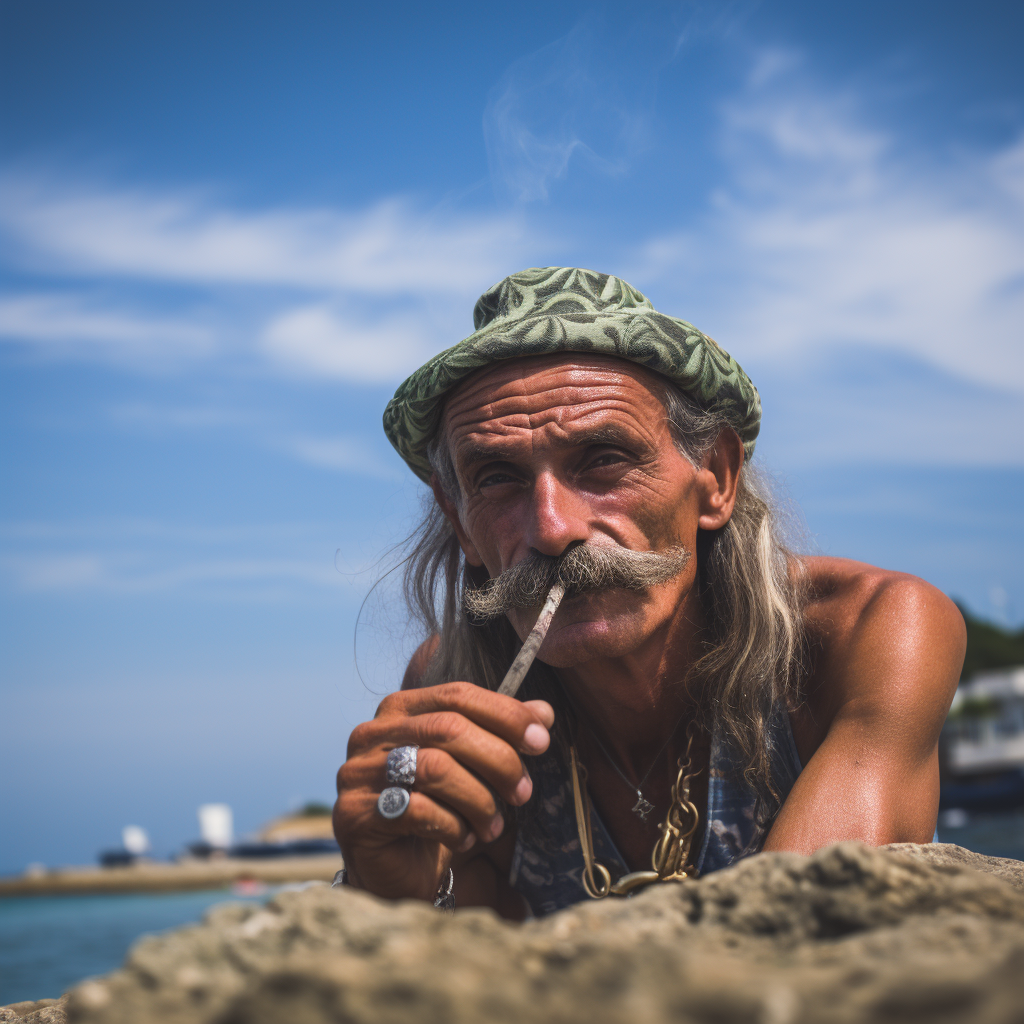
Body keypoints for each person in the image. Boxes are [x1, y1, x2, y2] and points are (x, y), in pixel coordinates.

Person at [332, 266, 965, 919]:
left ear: (715, 477)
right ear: (459, 518)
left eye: (603, 459)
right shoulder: (461, 691)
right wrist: (388, 889)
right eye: (496, 478)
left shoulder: (862, 636)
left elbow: (798, 939)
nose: (553, 530)